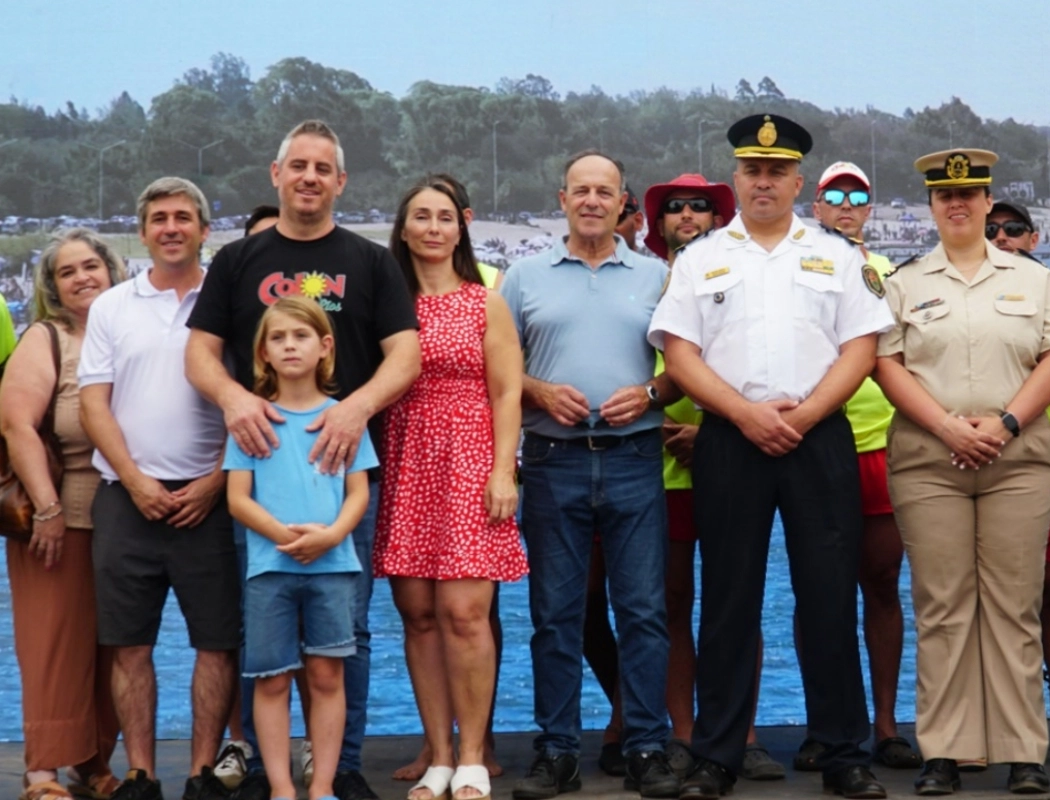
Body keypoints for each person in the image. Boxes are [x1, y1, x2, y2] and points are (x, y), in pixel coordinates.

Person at [650, 114, 892, 800]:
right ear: (737, 178)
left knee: (827, 593)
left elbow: (862, 348)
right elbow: (679, 352)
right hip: (731, 437)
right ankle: (717, 755)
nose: (764, 182)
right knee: (729, 599)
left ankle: (842, 749)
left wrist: (809, 413)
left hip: (819, 437)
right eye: (753, 171)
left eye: (777, 172)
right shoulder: (700, 258)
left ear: (797, 182)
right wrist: (741, 413)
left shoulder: (836, 257)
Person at [185, 119, 421, 800]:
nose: (310, 178)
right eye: (299, 166)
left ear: (340, 182)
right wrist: (234, 400)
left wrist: (355, 408)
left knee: (347, 633)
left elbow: (404, 355)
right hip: (263, 473)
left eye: (324, 168)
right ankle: (272, 775)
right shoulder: (237, 261)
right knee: (266, 644)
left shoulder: (370, 261)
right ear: (276, 174)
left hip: (341, 474)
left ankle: (340, 770)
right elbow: (200, 353)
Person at [875, 149, 1050, 796]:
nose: (958, 204)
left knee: (1014, 603)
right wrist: (945, 427)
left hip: (1015, 461)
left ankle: (1023, 751)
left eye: (969, 193)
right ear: (932, 206)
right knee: (941, 605)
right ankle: (945, 750)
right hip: (929, 462)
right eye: (945, 196)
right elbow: (887, 364)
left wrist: (1008, 424)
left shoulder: (1033, 279)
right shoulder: (905, 283)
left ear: (989, 201)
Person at [501, 150, 680, 800]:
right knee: (555, 616)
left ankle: (647, 748)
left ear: (623, 201)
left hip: (635, 458)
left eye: (605, 191)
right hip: (554, 461)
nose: (593, 201)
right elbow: (501, 374)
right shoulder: (523, 278)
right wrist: (541, 392)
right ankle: (557, 752)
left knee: (643, 613)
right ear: (563, 198)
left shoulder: (657, 277)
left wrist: (654, 395)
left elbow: (685, 366)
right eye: (582, 190)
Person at [79, 178, 239, 800]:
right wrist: (139, 481)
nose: (171, 227)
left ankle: (202, 772)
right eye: (159, 218)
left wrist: (217, 481)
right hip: (127, 497)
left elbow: (257, 397)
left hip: (213, 498)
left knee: (218, 643)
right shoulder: (113, 307)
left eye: (183, 217)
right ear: (143, 231)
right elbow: (95, 404)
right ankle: (142, 774)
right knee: (127, 644)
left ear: (203, 228)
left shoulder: (227, 302)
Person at [374, 177, 526, 800]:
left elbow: (507, 391)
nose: (433, 228)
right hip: (405, 461)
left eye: (444, 217)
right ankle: (437, 757)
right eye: (421, 217)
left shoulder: (483, 300)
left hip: (469, 461)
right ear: (403, 229)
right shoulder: (386, 304)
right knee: (418, 616)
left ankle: (471, 758)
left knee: (465, 613)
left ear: (460, 229)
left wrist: (502, 469)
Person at [642, 173, 784, 781]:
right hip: (659, 465)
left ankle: (742, 731)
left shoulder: (741, 275)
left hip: (733, 449)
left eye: (701, 206)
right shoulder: (643, 283)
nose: (689, 215)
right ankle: (682, 733)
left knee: (737, 601)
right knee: (671, 603)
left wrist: (717, 428)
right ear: (660, 222)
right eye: (675, 208)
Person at [225, 296, 377, 800]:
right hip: (270, 569)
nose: (290, 345)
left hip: (333, 568)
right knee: (270, 680)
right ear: (263, 351)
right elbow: (237, 498)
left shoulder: (344, 417)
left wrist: (332, 536)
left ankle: (324, 787)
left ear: (324, 346)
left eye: (301, 335)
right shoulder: (251, 419)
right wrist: (281, 535)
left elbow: (358, 492)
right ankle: (282, 788)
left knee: (327, 675)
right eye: (278, 337)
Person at [799, 160, 920, 772]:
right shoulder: (798, 262)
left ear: (869, 208)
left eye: (858, 196)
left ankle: (885, 723)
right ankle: (827, 724)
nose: (846, 205)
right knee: (818, 593)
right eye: (834, 196)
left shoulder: (889, 273)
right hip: (819, 440)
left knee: (880, 583)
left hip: (882, 447)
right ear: (816, 206)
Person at [0, 228, 124, 800]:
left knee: (113, 645)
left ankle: (92, 760)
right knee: (53, 643)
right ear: (53, 287)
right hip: (59, 517)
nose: (82, 277)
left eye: (90, 265)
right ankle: (43, 770)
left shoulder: (128, 334)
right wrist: (47, 508)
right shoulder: (46, 338)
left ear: (112, 269)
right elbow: (16, 425)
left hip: (126, 517)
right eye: (68, 271)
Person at [985, 200, 1050, 766]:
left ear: (1034, 236)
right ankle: (1001, 722)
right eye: (991, 229)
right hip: (977, 472)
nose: (1001, 236)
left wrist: (1028, 446)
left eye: (1013, 228)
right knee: (992, 602)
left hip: (1048, 475)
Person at [214, 202, 284, 791]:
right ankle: (255, 753)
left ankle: (327, 757)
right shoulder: (232, 292)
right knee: (253, 630)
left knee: (336, 641)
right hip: (243, 490)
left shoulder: (337, 412)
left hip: (324, 523)